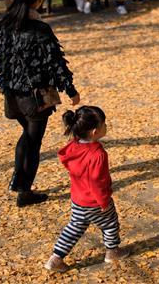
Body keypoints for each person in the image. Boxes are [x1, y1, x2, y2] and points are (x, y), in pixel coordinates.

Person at [0, 0, 81, 207]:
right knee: (33, 141)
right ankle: (24, 189)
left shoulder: (5, 25)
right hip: (35, 96)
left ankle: (19, 182)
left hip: (12, 94)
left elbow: (0, 60)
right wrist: (70, 90)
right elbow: (55, 63)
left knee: (27, 136)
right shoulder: (39, 28)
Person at [44, 105, 129, 272]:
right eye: (104, 124)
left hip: (78, 199)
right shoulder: (98, 154)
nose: (106, 126)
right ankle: (112, 252)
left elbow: (68, 160)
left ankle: (56, 258)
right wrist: (104, 201)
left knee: (74, 227)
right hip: (94, 202)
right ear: (94, 132)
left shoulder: (74, 147)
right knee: (110, 223)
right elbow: (96, 182)